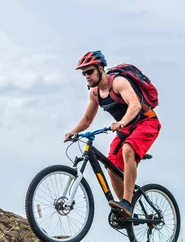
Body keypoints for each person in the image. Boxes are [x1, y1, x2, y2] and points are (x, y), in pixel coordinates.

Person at [64, 50, 161, 218]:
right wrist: (73, 131)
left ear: (101, 68)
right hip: (126, 129)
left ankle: (128, 203)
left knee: (128, 149)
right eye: (83, 73)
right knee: (111, 167)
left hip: (146, 122)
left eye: (89, 71)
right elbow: (87, 119)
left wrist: (122, 122)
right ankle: (124, 210)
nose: (86, 76)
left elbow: (135, 105)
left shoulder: (118, 82)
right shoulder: (94, 94)